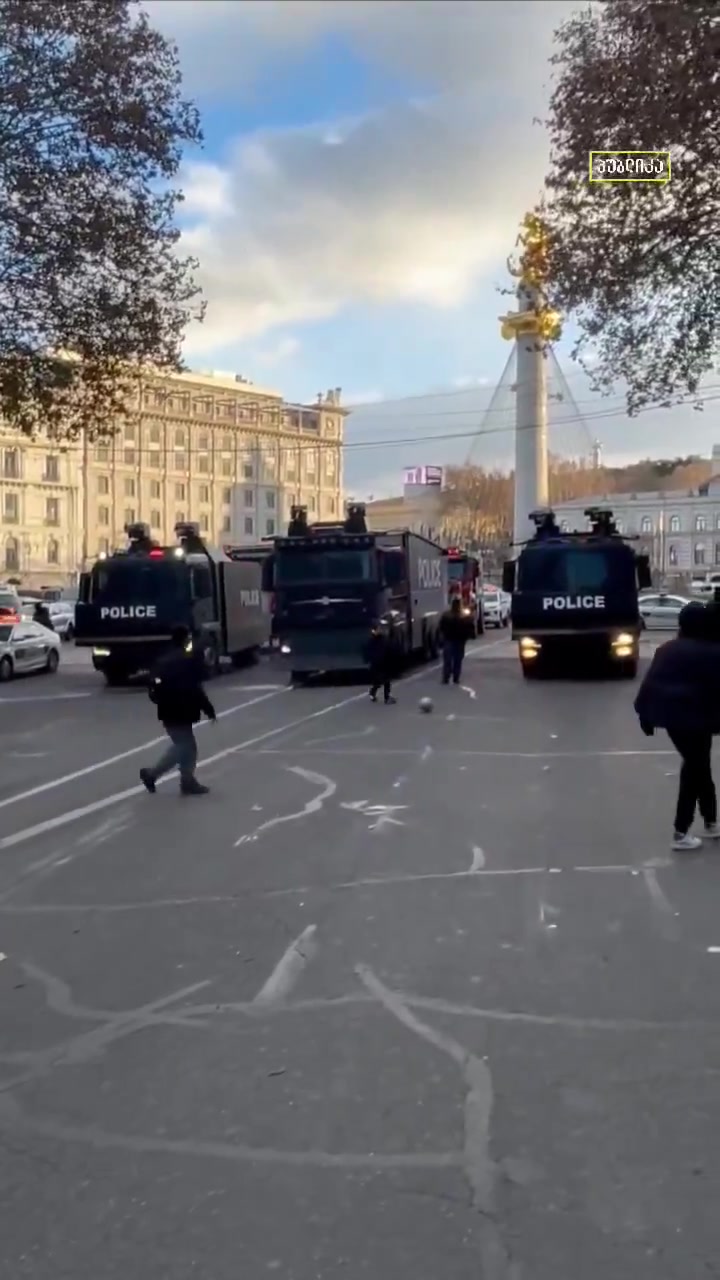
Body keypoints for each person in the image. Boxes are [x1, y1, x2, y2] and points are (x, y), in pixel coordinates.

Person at [634, 601, 720, 851]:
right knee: (694, 769)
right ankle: (681, 831)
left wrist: (645, 716)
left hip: (674, 720)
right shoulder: (711, 651)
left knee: (699, 766)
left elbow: (650, 684)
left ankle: (711, 821)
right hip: (696, 720)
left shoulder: (667, 649)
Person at [139, 624, 216, 796]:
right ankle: (152, 774)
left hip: (168, 708)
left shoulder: (164, 658)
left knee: (187, 745)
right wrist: (208, 709)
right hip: (182, 708)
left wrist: (159, 700)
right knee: (183, 745)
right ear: (185, 639)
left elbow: (153, 685)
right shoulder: (188, 660)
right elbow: (196, 687)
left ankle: (187, 780)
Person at [439, 596, 475, 685]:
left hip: (450, 640)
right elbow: (470, 627)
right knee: (457, 660)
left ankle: (447, 677)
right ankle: (455, 677)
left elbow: (441, 627)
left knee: (449, 659)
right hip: (458, 640)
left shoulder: (447, 615)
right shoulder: (463, 616)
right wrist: (470, 635)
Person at [364, 620, 396, 704]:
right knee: (378, 681)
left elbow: (389, 649)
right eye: (376, 629)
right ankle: (373, 692)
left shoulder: (383, 639)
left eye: (378, 629)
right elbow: (368, 652)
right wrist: (369, 661)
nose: (377, 631)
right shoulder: (371, 641)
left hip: (384, 663)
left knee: (386, 680)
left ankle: (387, 697)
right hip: (376, 664)